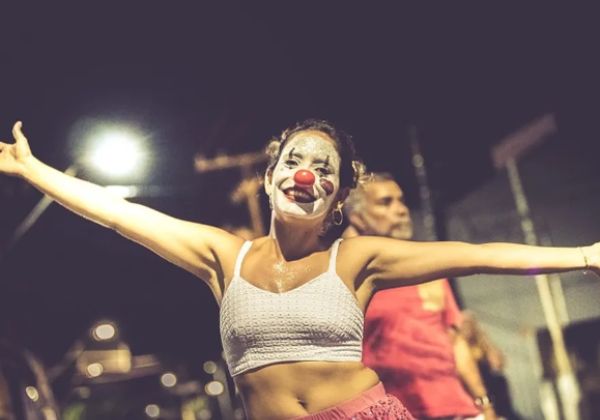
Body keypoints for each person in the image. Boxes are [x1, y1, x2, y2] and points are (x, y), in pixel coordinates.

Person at [1, 119, 598, 420]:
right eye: (293, 160)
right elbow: (117, 214)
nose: (305, 173)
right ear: (270, 178)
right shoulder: (221, 255)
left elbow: (484, 255)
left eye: (323, 167)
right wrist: (35, 172)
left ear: (337, 198)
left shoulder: (358, 259)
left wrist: (584, 255)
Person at [343, 173, 498, 419]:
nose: (401, 210)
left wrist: (484, 404)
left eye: (401, 201)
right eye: (386, 202)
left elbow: (456, 343)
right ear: (358, 217)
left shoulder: (427, 268)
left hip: (458, 409)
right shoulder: (345, 274)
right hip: (394, 411)